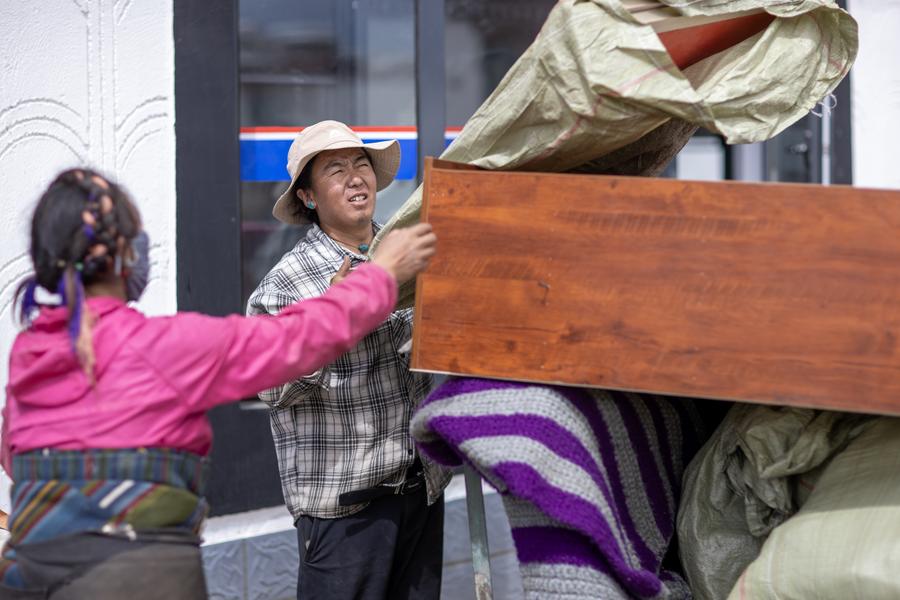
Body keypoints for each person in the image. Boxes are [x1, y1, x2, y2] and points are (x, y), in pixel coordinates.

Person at [0, 168, 436, 599]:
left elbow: (15, 455)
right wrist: (379, 276)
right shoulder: (162, 347)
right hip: (136, 577)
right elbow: (291, 340)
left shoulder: (29, 355)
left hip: (28, 574)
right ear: (122, 253)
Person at [247, 120, 451, 599]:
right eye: (335, 170)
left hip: (421, 490)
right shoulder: (286, 284)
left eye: (361, 165)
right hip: (346, 513)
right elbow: (272, 386)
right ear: (310, 198)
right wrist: (336, 317)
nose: (355, 177)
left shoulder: (405, 251)